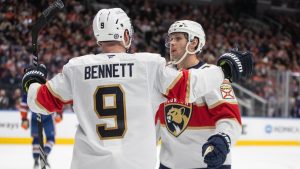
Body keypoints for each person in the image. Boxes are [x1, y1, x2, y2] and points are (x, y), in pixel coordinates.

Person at [22, 8, 250, 169]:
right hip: (138, 164)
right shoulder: (149, 65)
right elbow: (188, 87)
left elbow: (38, 102)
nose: (172, 43)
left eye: (178, 38)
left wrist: (32, 80)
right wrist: (224, 71)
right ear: (126, 34)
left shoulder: (76, 68)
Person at [155, 20, 251, 169]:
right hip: (168, 165)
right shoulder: (164, 77)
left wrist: (222, 140)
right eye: (171, 38)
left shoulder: (212, 76)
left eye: (178, 38)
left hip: (207, 164)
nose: (172, 43)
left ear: (194, 42)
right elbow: (156, 122)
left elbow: (230, 118)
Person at [19, 93, 63, 169]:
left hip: (36, 115)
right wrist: (59, 113)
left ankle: (37, 159)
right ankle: (44, 154)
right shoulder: (48, 83)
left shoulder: (30, 86)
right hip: (47, 115)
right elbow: (57, 98)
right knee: (50, 138)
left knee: (37, 139)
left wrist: (24, 118)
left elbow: (24, 104)